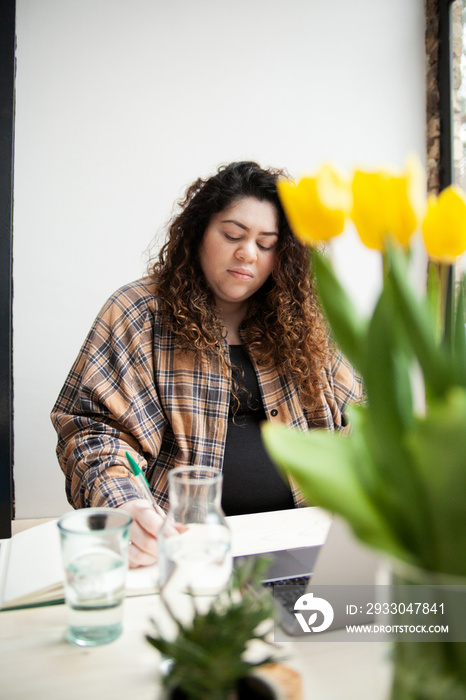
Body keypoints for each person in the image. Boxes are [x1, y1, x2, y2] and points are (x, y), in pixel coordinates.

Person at [51, 161, 363, 567]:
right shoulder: (137, 313)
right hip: (180, 549)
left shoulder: (303, 321)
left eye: (267, 244)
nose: (247, 252)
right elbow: (91, 432)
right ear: (198, 231)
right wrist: (125, 505)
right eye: (233, 234)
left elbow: (359, 416)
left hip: (303, 537)